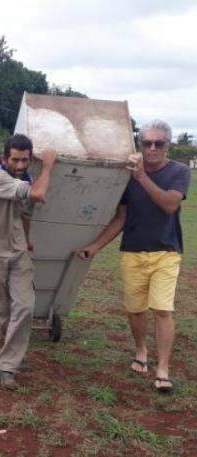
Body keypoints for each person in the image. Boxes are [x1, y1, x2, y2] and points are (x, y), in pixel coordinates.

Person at [78, 120, 191, 393]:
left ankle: (163, 368)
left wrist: (141, 176)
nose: (152, 148)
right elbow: (121, 217)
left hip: (166, 252)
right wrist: (95, 246)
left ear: (168, 146)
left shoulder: (179, 172)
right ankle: (141, 350)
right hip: (132, 251)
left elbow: (168, 205)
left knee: (162, 310)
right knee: (135, 310)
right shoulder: (127, 176)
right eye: (146, 143)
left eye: (158, 143)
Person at [0, 134, 57, 390]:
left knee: (25, 307)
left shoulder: (25, 179)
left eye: (25, 160)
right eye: (16, 160)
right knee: (3, 311)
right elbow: (39, 194)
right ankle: (12, 355)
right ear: (4, 158)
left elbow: (26, 213)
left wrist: (27, 241)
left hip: (18, 251)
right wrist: (49, 166)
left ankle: (7, 366)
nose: (20, 166)